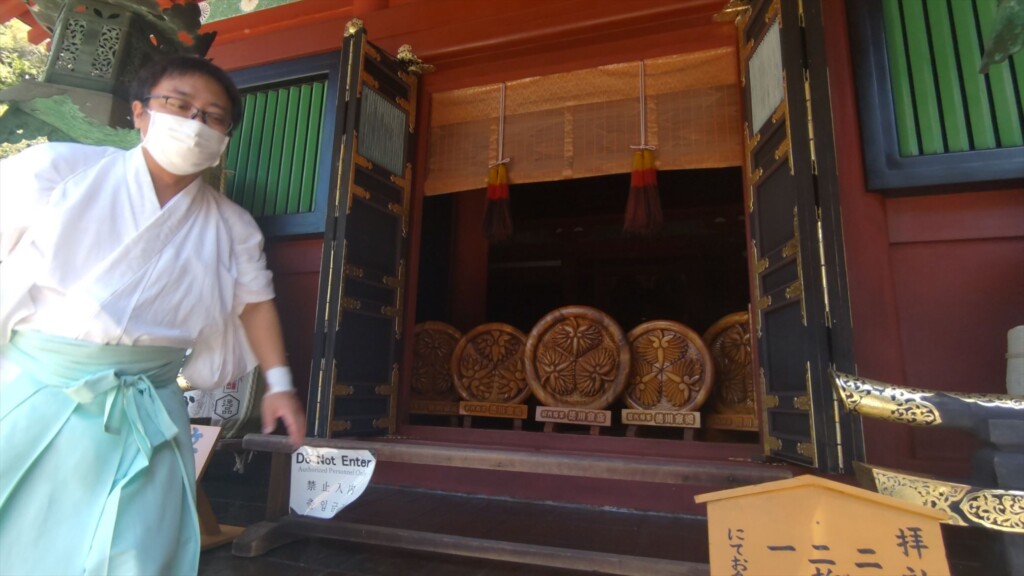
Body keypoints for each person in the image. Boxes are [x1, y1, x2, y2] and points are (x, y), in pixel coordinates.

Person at [0, 55, 305, 575]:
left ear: (225, 136)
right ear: (140, 114)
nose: (195, 124)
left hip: (149, 406)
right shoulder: (56, 171)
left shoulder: (233, 227)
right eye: (179, 105)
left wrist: (279, 383)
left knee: (136, 550)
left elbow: (255, 305)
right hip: (40, 385)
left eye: (213, 116)